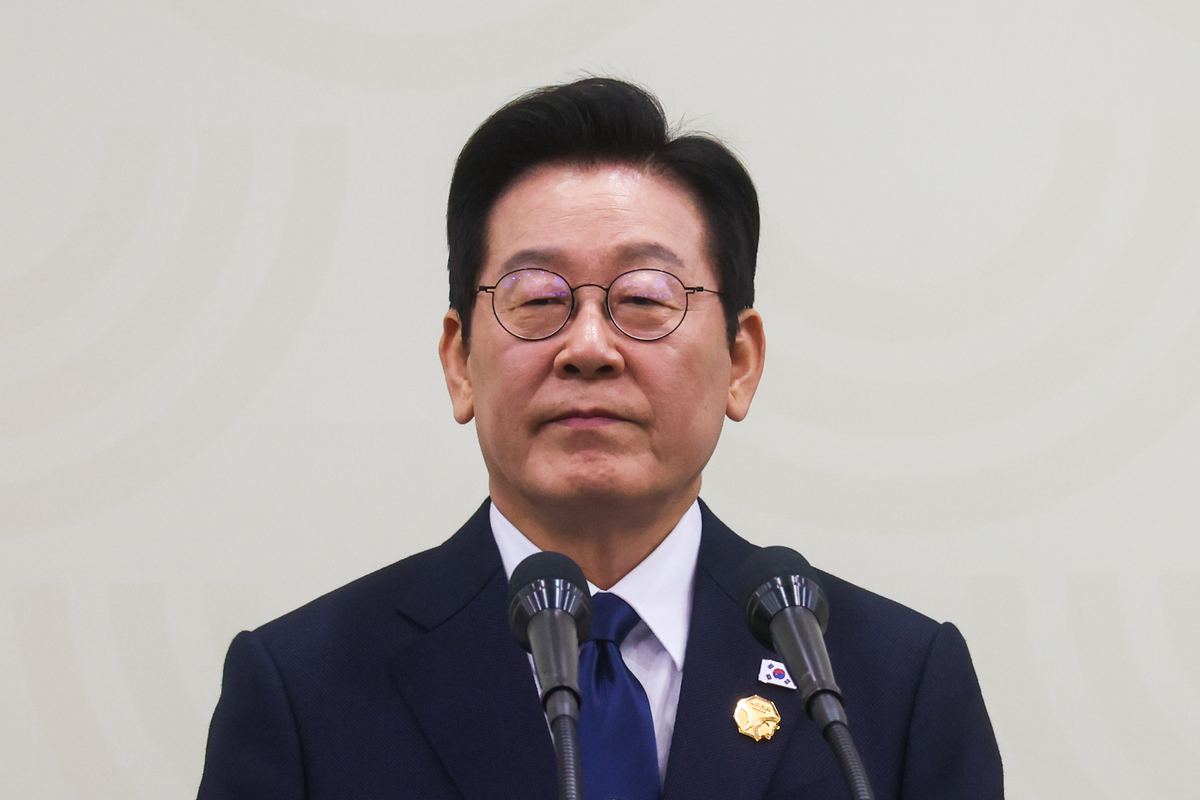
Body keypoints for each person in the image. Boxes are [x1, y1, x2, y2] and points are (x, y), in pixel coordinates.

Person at [198, 77, 1003, 799]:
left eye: (646, 297)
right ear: (460, 362)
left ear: (740, 362)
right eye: (538, 297)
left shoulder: (890, 686)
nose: (588, 346)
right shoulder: (305, 689)